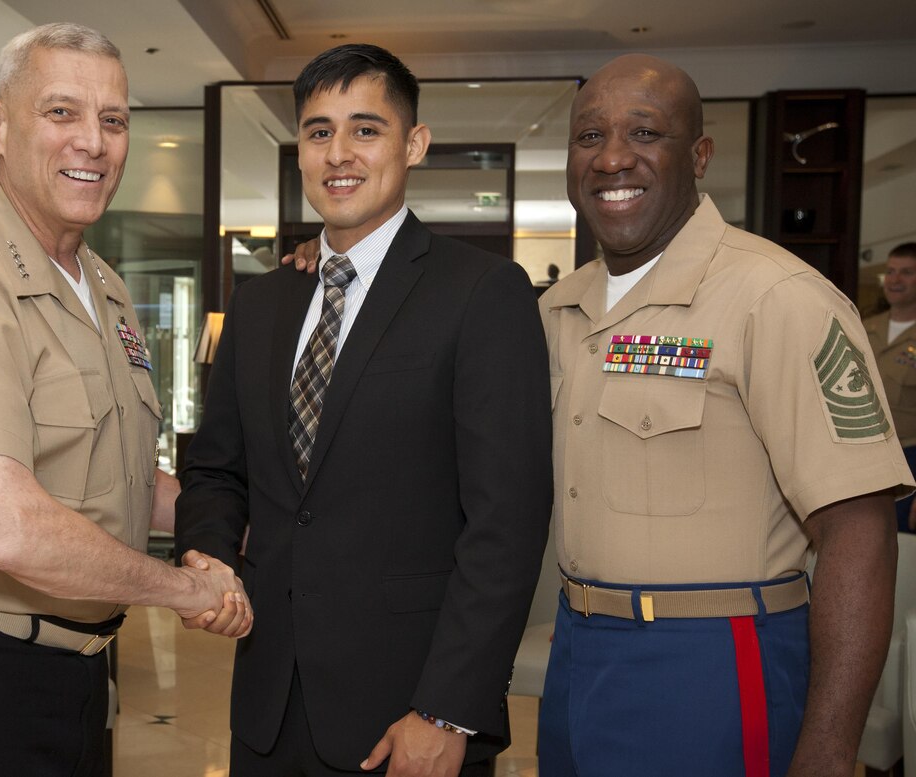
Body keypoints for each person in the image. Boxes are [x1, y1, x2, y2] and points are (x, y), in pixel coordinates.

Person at [0, 23, 250, 776]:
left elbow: (124, 479)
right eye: (61, 112)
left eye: (113, 119)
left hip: (77, 666)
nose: (92, 143)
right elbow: (7, 527)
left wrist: (249, 530)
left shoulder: (104, 286)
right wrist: (185, 587)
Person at [175, 43, 552, 777]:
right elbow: (217, 469)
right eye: (318, 132)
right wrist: (208, 554)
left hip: (408, 713)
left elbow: (506, 522)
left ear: (413, 145)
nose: (338, 153)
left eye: (365, 129)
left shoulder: (481, 292)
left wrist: (448, 708)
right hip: (267, 708)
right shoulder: (261, 303)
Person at [537, 53, 913, 777]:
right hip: (578, 654)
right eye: (589, 137)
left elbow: (859, 530)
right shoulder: (559, 307)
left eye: (645, 133)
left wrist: (829, 750)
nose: (613, 158)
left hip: (714, 660)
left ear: (699, 154)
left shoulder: (777, 296)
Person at [864, 242, 916, 532]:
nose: (895, 280)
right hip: (865, 455)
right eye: (891, 271)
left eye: (907, 272)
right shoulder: (863, 325)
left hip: (909, 459)